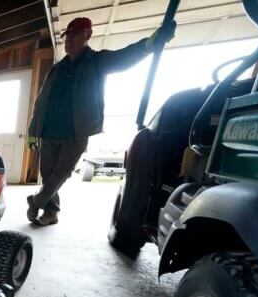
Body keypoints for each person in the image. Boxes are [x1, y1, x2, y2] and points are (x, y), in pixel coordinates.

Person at [26, 17, 176, 226]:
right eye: (67, 36)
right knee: (48, 176)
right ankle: (51, 213)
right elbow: (40, 102)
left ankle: (36, 201)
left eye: (74, 35)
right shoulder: (56, 69)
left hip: (75, 133)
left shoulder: (96, 62)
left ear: (88, 34)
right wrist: (32, 131)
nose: (69, 40)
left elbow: (124, 58)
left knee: (61, 174)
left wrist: (149, 44)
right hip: (48, 132)